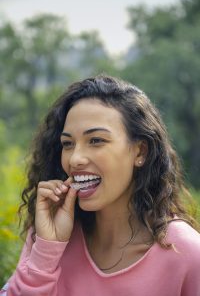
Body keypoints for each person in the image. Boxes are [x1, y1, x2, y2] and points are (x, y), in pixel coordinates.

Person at [1, 75, 200, 296]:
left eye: (96, 140)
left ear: (140, 151)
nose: (75, 158)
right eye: (68, 144)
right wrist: (47, 249)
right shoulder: (50, 235)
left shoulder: (188, 254)